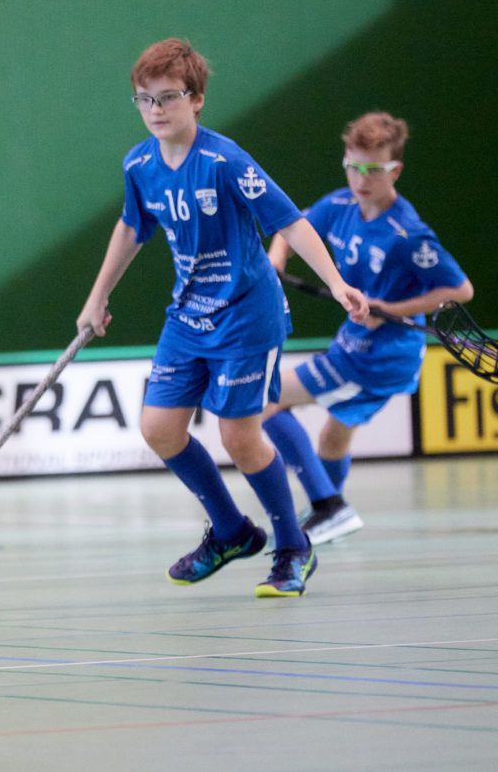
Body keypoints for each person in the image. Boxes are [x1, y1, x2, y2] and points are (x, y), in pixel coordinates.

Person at [75, 39, 369, 597]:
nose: (156, 109)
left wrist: (336, 283)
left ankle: (293, 547)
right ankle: (233, 531)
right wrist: (98, 296)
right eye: (144, 99)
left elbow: (290, 221)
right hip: (187, 317)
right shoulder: (139, 164)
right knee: (159, 429)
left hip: (246, 316)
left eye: (169, 97)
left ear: (198, 99)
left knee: (239, 435)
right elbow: (132, 228)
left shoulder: (225, 160)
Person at [263, 112, 472, 544]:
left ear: (394, 170)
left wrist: (386, 307)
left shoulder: (408, 234)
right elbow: (291, 226)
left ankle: (329, 507)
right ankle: (329, 512)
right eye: (353, 166)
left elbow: (459, 289)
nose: (361, 178)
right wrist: (276, 259)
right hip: (354, 343)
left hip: (383, 354)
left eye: (373, 169)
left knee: (265, 399)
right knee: (333, 438)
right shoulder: (339, 206)